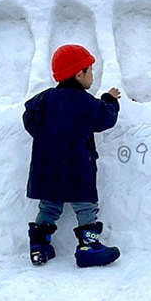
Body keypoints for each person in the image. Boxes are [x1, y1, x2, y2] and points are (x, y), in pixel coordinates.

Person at [23, 44, 122, 267]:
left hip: (46, 166)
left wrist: (44, 136)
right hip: (77, 166)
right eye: (90, 71)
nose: (92, 76)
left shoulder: (43, 100)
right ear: (79, 74)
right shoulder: (86, 103)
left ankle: (39, 245)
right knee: (85, 206)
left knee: (48, 206)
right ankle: (89, 247)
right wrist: (110, 99)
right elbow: (105, 118)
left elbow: (29, 117)